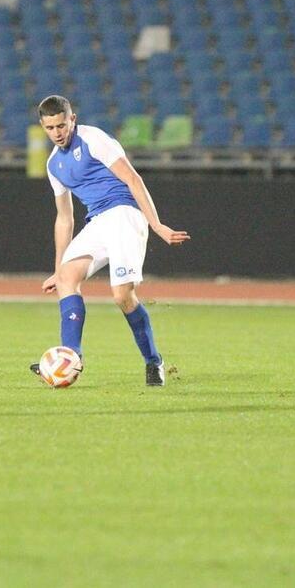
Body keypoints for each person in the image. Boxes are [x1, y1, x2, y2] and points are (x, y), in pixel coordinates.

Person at [30, 95, 190, 386]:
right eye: (50, 128)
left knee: (122, 297)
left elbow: (133, 179)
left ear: (72, 119)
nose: (57, 132)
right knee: (67, 279)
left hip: (125, 215)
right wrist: (58, 267)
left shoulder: (93, 139)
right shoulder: (54, 164)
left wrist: (156, 225)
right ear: (43, 127)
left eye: (62, 125)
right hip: (98, 221)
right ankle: (71, 357)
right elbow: (64, 219)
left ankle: (154, 362)